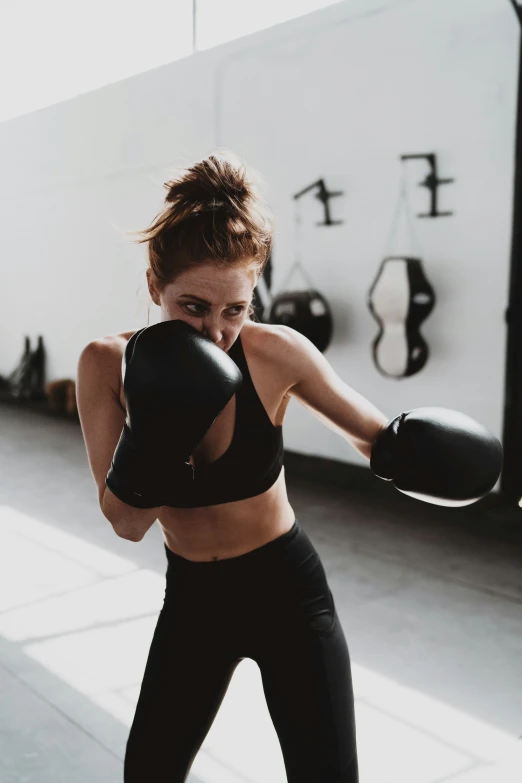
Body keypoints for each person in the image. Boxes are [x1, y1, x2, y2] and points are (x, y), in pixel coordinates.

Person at [76, 151, 502, 782]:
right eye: (192, 306)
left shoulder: (277, 353)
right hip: (194, 600)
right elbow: (126, 521)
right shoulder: (106, 366)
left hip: (287, 592)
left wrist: (434, 458)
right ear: (152, 286)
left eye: (235, 310)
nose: (216, 332)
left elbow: (377, 438)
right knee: (148, 773)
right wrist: (158, 420)